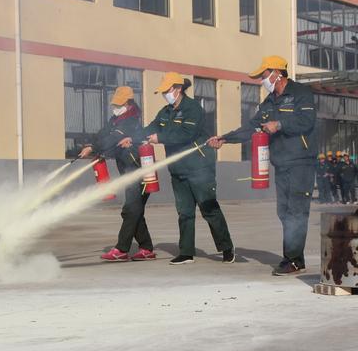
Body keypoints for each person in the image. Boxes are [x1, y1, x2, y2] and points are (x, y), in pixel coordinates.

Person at [208, 56, 317, 276]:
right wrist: (225, 138)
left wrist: (280, 124)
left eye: (264, 75)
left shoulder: (300, 93)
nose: (262, 80)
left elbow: (307, 121)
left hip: (301, 162)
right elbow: (251, 127)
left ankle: (293, 260)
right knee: (284, 211)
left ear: (277, 73)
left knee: (296, 211)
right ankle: (296, 259)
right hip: (282, 163)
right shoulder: (268, 102)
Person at [122, 72, 234, 265]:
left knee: (209, 209)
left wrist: (161, 138)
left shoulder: (193, 109)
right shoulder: (166, 111)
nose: (165, 94)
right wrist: (133, 137)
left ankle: (226, 248)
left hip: (199, 168)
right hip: (178, 170)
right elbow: (152, 127)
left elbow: (186, 134)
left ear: (178, 89)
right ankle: (186, 252)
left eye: (167, 90)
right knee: (184, 212)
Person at [79, 86, 156, 262]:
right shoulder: (116, 119)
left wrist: (94, 147)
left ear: (128, 103)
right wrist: (90, 144)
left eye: (119, 104)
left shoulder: (131, 121)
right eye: (115, 103)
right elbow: (104, 133)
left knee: (130, 210)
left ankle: (121, 249)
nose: (116, 107)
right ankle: (146, 248)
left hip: (140, 171)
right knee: (134, 210)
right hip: (128, 170)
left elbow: (113, 138)